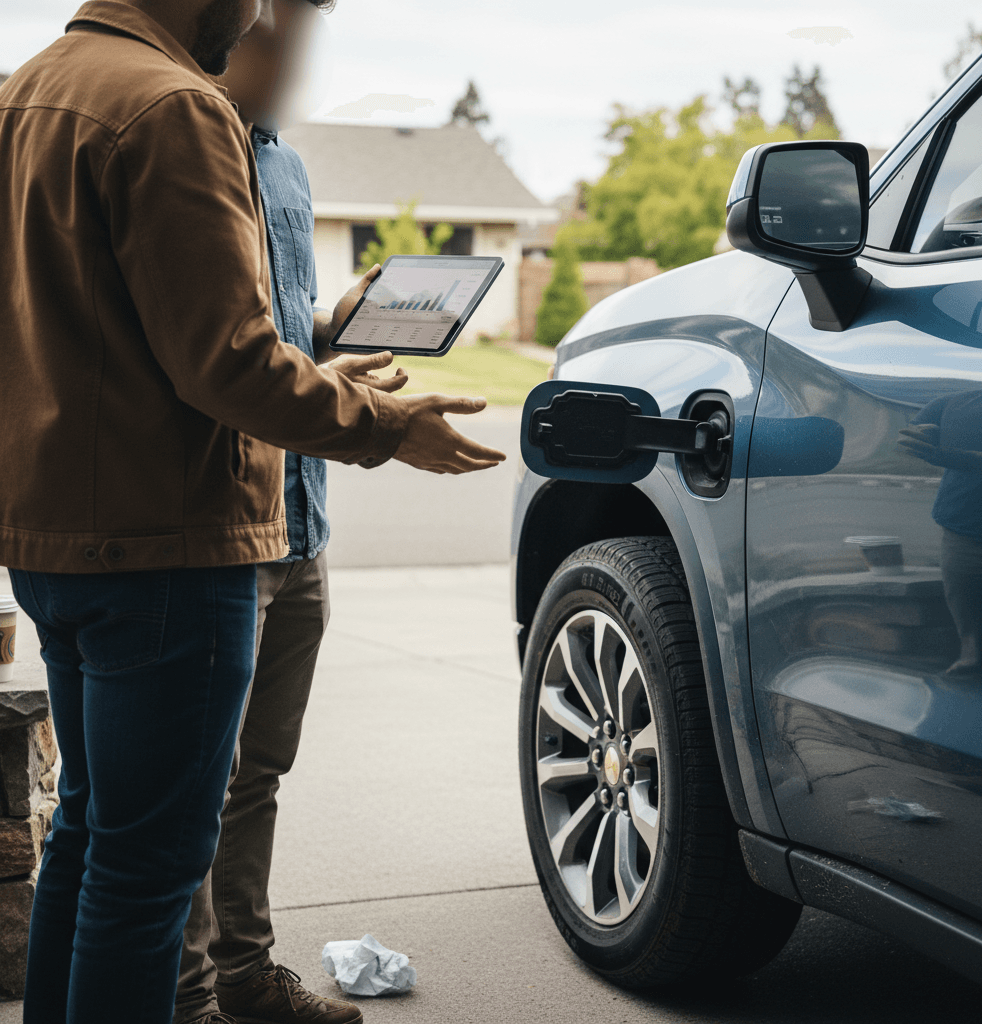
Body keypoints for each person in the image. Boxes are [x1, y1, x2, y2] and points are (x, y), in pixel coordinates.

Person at [0, 3, 504, 1023]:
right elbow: (226, 363)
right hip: (169, 548)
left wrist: (315, 353)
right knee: (147, 874)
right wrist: (386, 424)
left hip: (53, 539)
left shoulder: (25, 93)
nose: (266, 17)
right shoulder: (174, 105)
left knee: (91, 834)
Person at [174, 3, 401, 1021]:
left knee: (258, 769)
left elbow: (275, 334)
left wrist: (333, 319)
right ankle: (175, 993)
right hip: (219, 525)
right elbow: (206, 353)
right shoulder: (177, 143)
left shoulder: (290, 167)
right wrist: (387, 425)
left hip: (302, 517)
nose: (302, 61)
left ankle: (241, 975)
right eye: (291, 35)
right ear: (241, 23)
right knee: (179, 784)